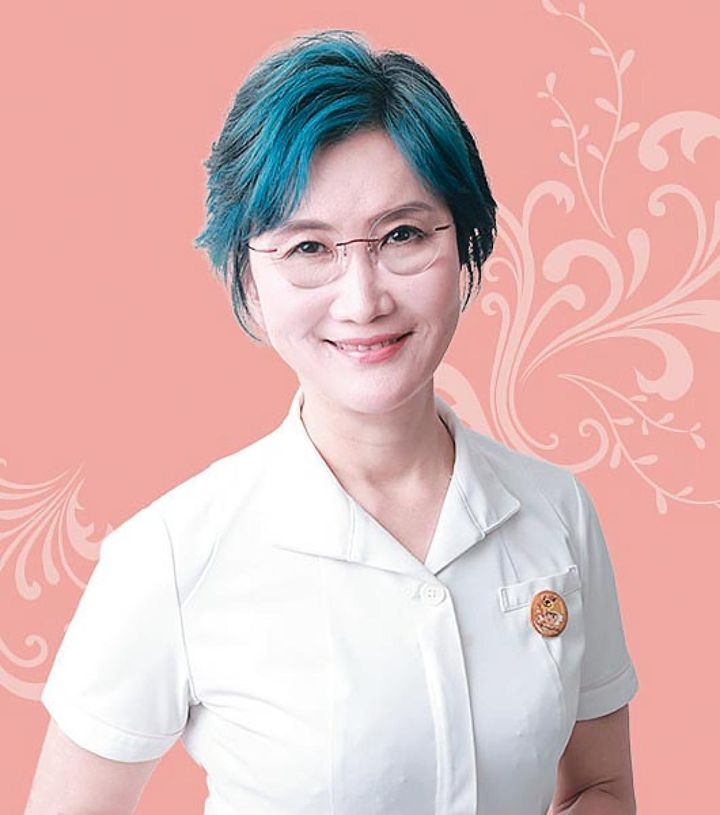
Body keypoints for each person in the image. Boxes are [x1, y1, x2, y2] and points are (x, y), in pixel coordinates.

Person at [25, 28, 639, 815]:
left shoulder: (557, 512)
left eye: (403, 235)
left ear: (467, 243)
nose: (363, 299)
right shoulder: (173, 556)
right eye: (309, 247)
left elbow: (601, 787)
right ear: (250, 280)